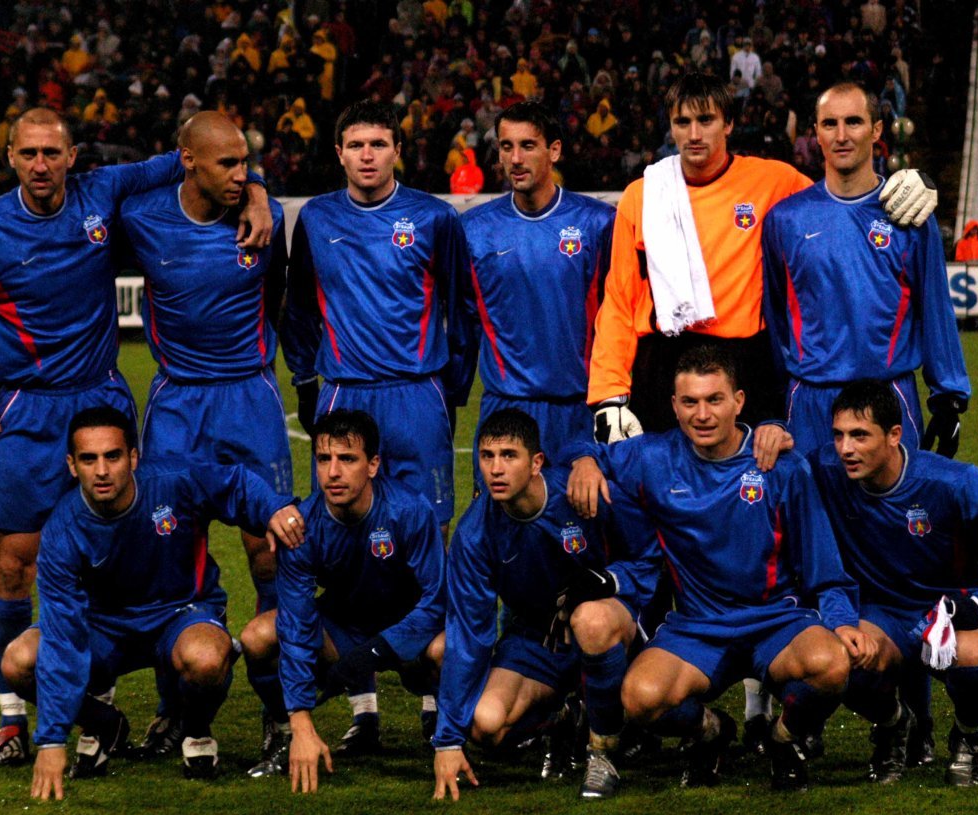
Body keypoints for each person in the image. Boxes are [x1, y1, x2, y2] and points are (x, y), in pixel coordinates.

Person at [0, 106, 273, 764]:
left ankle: (143, 689)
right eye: (28, 154)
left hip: (101, 397)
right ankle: (13, 718)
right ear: (10, 157)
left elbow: (199, 157)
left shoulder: (102, 192)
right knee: (16, 562)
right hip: (25, 409)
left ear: (73, 157)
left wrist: (261, 191)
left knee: (131, 545)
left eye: (53, 153)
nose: (41, 165)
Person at [566, 347, 870, 791]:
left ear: (739, 401)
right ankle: (711, 731)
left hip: (775, 621)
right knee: (640, 698)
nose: (703, 414)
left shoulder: (781, 466)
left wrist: (841, 622)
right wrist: (584, 461)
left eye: (715, 400)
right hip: (698, 627)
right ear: (674, 406)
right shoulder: (653, 457)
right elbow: (577, 445)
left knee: (832, 665)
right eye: (690, 402)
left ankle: (782, 739)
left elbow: (824, 564)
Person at [588, 71, 937, 442]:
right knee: (662, 476)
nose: (694, 134)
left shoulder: (775, 181)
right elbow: (620, 300)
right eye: (682, 122)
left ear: (728, 124)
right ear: (670, 127)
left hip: (745, 363)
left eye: (705, 120)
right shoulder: (643, 195)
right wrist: (609, 395)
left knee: (753, 477)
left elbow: (843, 201)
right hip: (663, 364)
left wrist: (914, 182)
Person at [0, 406, 305, 799]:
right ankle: (104, 722)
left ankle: (195, 730)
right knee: (19, 661)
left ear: (133, 458)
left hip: (181, 614)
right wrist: (53, 738)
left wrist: (273, 507)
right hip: (104, 627)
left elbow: (236, 484)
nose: (102, 471)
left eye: (112, 456)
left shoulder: (174, 481)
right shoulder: (62, 530)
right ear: (72, 466)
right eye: (89, 459)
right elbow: (61, 635)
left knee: (206, 658)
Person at [116, 110, 291, 755]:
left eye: (247, 163)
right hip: (178, 403)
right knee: (168, 551)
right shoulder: (141, 218)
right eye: (228, 163)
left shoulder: (264, 219)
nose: (241, 174)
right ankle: (177, 709)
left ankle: (279, 707)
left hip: (250, 396)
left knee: (270, 549)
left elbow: (284, 298)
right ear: (187, 161)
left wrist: (260, 192)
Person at [809, 380, 978, 786]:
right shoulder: (824, 470)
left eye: (859, 435)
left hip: (948, 614)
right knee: (837, 659)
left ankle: (967, 735)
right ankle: (894, 723)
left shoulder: (954, 482)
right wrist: (771, 432)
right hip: (880, 615)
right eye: (838, 435)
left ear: (894, 435)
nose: (845, 449)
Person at [433, 409, 659, 801]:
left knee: (592, 622)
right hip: (538, 637)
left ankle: (602, 752)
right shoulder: (473, 534)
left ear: (537, 462)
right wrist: (448, 740)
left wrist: (610, 581)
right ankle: (563, 717)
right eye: (487, 456)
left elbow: (648, 555)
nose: (496, 469)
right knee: (486, 724)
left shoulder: (579, 493)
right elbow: (467, 635)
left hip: (607, 623)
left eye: (509, 455)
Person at [284, 99, 477, 534]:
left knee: (430, 527)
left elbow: (462, 310)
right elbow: (298, 309)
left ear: (397, 150)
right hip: (345, 392)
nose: (367, 155)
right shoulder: (316, 218)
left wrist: (452, 391)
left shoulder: (435, 217)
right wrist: (304, 382)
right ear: (339, 153)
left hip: (417, 393)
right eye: (356, 145)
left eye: (378, 144)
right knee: (339, 528)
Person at [762, 81, 971, 459]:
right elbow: (775, 320)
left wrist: (948, 396)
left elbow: (935, 308)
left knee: (892, 500)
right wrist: (771, 407)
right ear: (816, 133)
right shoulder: (785, 219)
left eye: (854, 122)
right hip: (809, 402)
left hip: (888, 398)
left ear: (876, 130)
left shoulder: (909, 215)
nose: (841, 135)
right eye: (830, 124)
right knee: (811, 500)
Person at [238, 409, 446, 782]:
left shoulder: (410, 511)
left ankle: (448, 735)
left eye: (347, 459)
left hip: (408, 632)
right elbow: (296, 624)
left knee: (447, 648)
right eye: (324, 459)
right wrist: (301, 718)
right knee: (259, 637)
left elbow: (437, 600)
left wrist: (378, 651)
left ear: (373, 465)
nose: (333, 472)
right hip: (344, 632)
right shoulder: (302, 526)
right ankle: (286, 734)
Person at [460, 100, 615, 480]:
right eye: (506, 146)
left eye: (527, 145)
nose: (515, 158)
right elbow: (462, 325)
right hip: (504, 410)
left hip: (579, 411)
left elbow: (619, 319)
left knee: (582, 518)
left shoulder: (597, 223)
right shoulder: (474, 229)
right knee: (499, 518)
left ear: (554, 150)